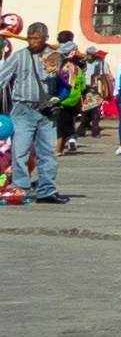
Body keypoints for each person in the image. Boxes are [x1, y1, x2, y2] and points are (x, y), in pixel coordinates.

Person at [1, 24, 61, 205]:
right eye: (30, 38)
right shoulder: (19, 57)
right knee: (20, 150)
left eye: (36, 39)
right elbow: (2, 78)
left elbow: (68, 54)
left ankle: (46, 190)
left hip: (47, 111)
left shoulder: (53, 56)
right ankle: (20, 187)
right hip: (23, 109)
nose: (32, 42)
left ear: (45, 38)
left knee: (47, 153)